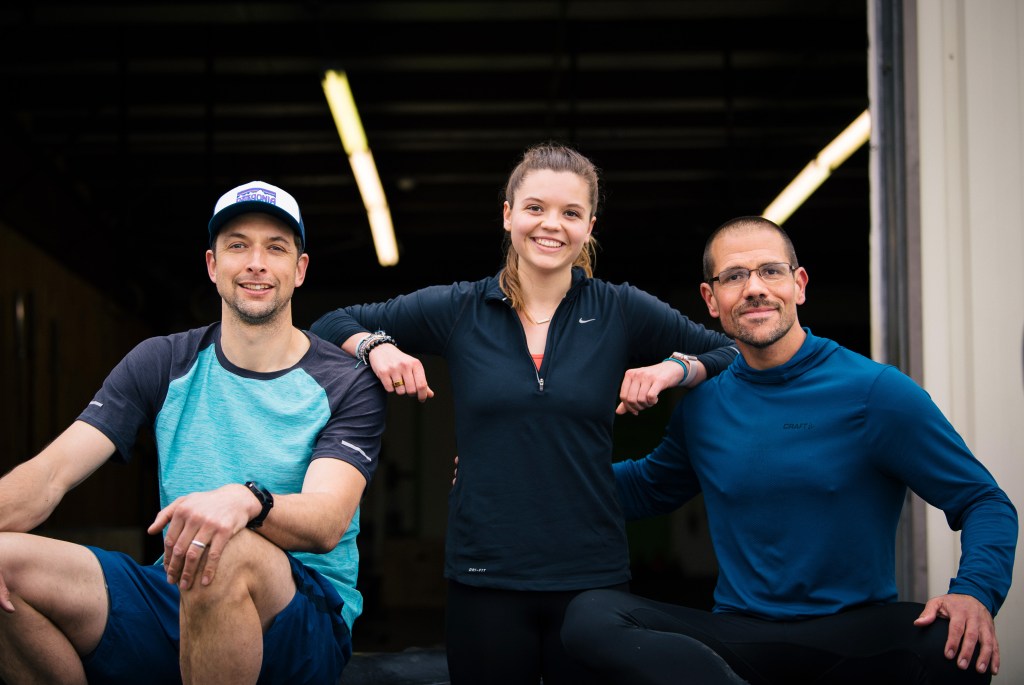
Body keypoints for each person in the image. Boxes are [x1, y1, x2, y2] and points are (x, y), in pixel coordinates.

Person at [310, 142, 739, 684]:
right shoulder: (460, 308)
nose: (551, 224)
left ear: (589, 227)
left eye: (571, 213)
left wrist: (676, 368)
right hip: (484, 572)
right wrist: (378, 347)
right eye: (535, 208)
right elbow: (331, 323)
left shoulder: (620, 308)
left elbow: (731, 352)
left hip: (591, 578)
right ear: (508, 214)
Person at [560, 215, 1018, 685]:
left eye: (770, 271)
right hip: (741, 637)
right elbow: (646, 488)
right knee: (592, 616)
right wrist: (538, 472)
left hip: (855, 636)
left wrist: (975, 592)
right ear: (711, 300)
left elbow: (983, 500)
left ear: (799, 285)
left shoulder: (875, 392)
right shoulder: (704, 406)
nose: (754, 288)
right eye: (734, 277)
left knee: (955, 645)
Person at [0, 180, 386, 684]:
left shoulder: (346, 381)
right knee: (4, 562)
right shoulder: (163, 361)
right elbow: (51, 474)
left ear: (299, 269)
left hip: (301, 614)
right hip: (177, 590)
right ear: (211, 264)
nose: (256, 263)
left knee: (220, 548)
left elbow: (326, 520)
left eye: (275, 248)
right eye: (237, 245)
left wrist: (247, 500)